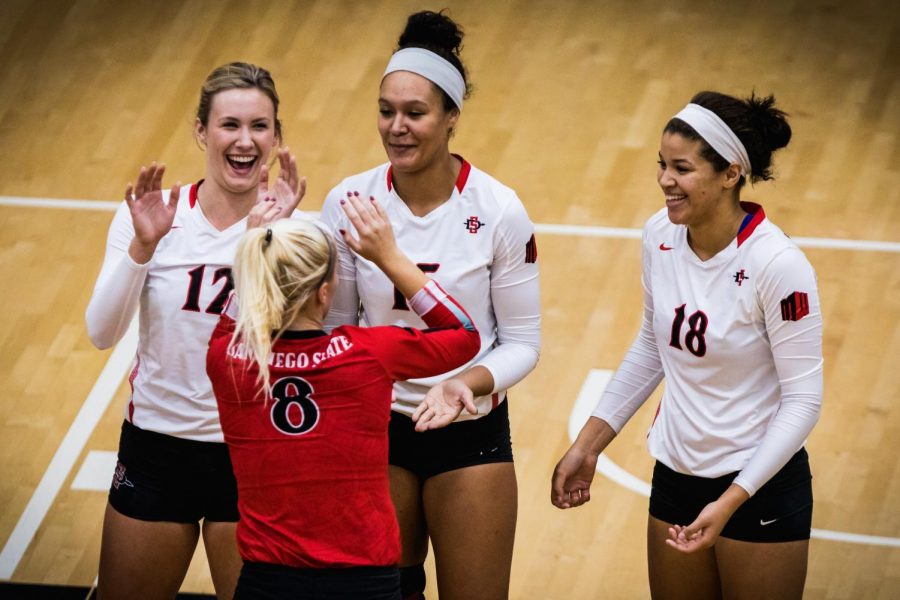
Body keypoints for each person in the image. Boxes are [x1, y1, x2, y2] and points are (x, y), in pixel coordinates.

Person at [551, 91, 823, 599]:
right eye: (662, 165)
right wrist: (587, 446)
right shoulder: (660, 235)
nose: (665, 181)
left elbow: (804, 400)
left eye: (682, 168)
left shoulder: (779, 267)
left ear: (730, 173)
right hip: (676, 475)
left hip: (757, 486)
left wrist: (731, 500)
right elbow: (652, 347)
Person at [319, 10, 541, 600]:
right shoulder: (349, 200)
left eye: (415, 113)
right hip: (376, 428)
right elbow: (337, 330)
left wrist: (464, 383)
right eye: (386, 111)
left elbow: (523, 342)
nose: (397, 127)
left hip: (468, 427)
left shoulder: (497, 209)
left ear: (451, 118)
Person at [85, 62, 305, 599]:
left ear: (276, 136)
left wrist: (266, 242)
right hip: (158, 449)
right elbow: (101, 333)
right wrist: (142, 248)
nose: (245, 140)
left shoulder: (297, 230)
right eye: (230, 124)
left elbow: (293, 349)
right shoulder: (153, 216)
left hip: (253, 451)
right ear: (201, 131)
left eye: (260, 126)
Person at [206, 195, 482, 599]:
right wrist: (390, 258)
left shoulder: (226, 359)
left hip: (266, 582)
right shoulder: (369, 353)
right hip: (364, 583)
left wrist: (255, 248)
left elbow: (232, 324)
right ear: (323, 294)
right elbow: (463, 333)